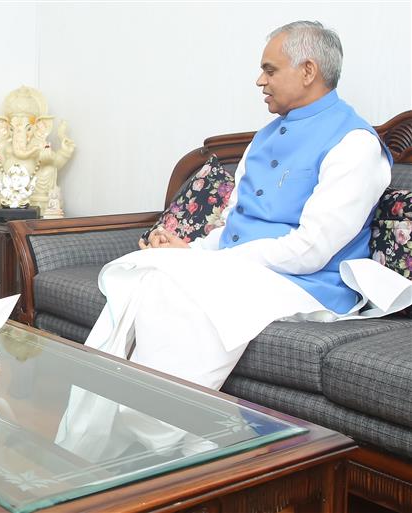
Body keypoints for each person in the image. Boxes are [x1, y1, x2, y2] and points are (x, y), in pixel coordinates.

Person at [85, 21, 402, 392]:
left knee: (175, 287)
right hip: (246, 269)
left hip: (310, 283)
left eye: (270, 70)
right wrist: (192, 249)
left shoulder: (355, 144)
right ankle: (117, 405)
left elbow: (311, 251)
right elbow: (236, 226)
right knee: (148, 275)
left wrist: (210, 262)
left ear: (308, 72)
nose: (259, 81)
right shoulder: (263, 139)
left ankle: (160, 424)